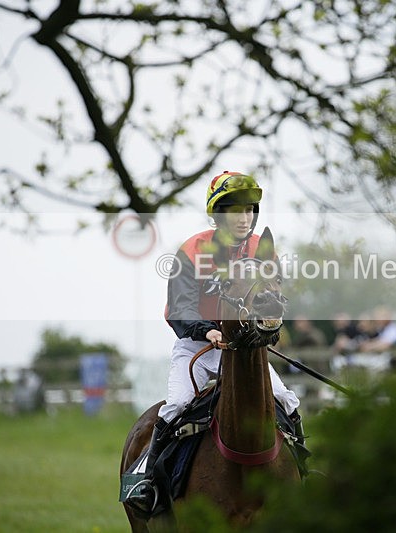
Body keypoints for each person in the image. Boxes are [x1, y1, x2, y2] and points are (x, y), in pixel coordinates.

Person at [125, 171, 302, 515]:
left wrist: (267, 327)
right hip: (198, 348)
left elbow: (271, 297)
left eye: (250, 210)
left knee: (287, 400)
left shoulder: (261, 250)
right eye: (236, 210)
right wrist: (207, 330)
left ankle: (304, 471)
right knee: (176, 403)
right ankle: (146, 481)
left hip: (244, 350)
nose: (244, 218)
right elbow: (178, 308)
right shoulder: (192, 250)